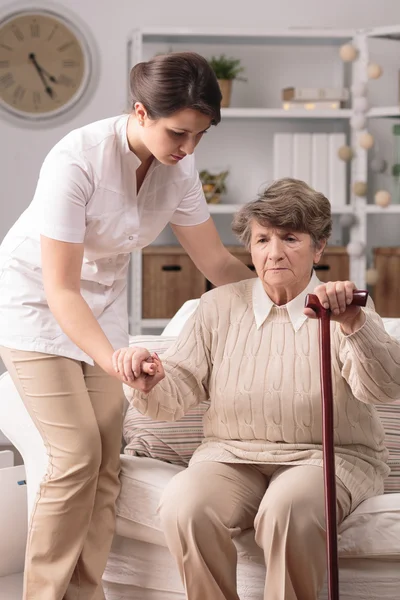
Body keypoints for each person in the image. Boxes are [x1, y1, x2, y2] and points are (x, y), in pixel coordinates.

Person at [0, 52, 254, 600]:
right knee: (76, 458)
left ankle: (85, 593)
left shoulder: (179, 169)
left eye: (200, 136)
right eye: (179, 133)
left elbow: (215, 263)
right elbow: (60, 289)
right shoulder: (76, 159)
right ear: (140, 112)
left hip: (102, 307)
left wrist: (283, 296)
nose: (188, 149)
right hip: (36, 304)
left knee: (108, 464)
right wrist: (112, 357)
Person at [121, 177, 400, 600]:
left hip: (327, 457)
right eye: (262, 239)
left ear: (318, 247)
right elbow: (178, 389)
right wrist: (152, 379)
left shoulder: (342, 308)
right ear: (249, 246)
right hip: (232, 454)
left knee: (289, 510)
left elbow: (383, 388)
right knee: (186, 506)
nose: (273, 253)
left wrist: (354, 324)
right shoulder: (217, 306)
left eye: (290, 238)